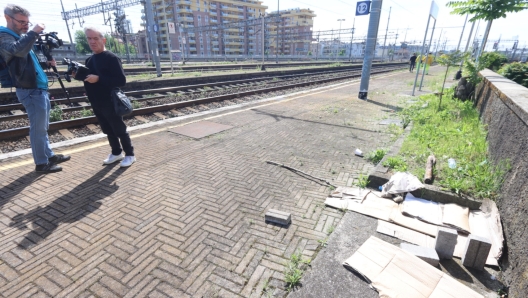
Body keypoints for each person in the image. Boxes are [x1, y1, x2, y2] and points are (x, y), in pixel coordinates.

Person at [0, 4, 70, 173]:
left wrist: (46, 64)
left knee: (42, 127)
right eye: (21, 21)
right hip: (29, 90)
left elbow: (26, 64)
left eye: (28, 23)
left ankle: (49, 155)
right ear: (8, 18)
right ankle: (41, 163)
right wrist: (34, 31)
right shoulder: (4, 36)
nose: (25, 25)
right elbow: (16, 51)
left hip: (38, 88)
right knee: (37, 128)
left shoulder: (18, 37)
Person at [81, 27, 135, 167]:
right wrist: (78, 75)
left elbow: (120, 81)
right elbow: (89, 79)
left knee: (119, 129)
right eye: (89, 38)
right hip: (96, 101)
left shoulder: (111, 58)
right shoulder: (89, 60)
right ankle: (116, 152)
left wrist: (98, 79)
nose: (92, 41)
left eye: (95, 38)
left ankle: (130, 154)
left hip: (110, 101)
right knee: (107, 129)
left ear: (103, 40)